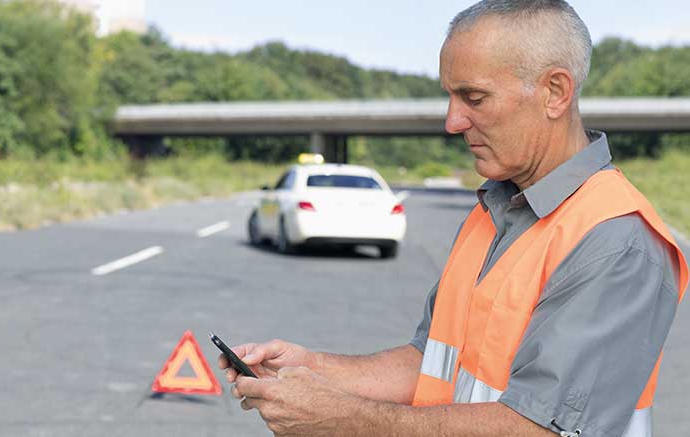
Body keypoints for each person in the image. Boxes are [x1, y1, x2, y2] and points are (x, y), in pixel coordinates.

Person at [219, 1, 689, 436]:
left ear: (555, 92)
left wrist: (344, 419)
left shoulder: (615, 238)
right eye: (451, 96)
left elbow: (544, 428)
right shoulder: (496, 208)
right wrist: (313, 370)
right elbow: (430, 363)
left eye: (474, 97)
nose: (452, 121)